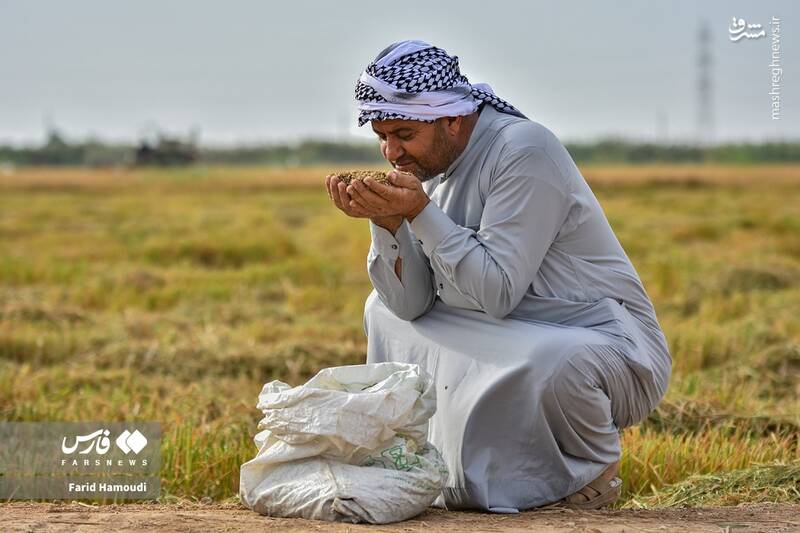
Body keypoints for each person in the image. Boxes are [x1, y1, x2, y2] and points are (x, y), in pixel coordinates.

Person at [324, 39, 671, 512]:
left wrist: (421, 213)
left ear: (451, 118)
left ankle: (590, 474)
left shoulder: (523, 151)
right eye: (382, 137)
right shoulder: (433, 164)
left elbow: (499, 292)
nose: (392, 153)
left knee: (555, 359)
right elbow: (411, 305)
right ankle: (432, 471)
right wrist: (387, 225)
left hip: (599, 343)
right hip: (507, 329)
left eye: (403, 133)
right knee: (382, 312)